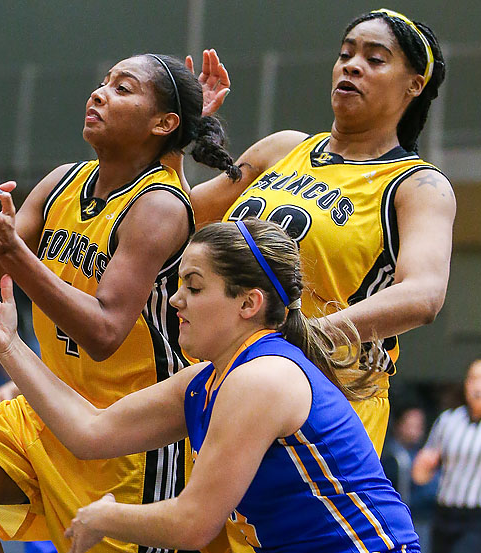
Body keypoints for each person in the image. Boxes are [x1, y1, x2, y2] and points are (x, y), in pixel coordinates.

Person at [0, 52, 237, 553]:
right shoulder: (61, 181)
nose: (98, 93)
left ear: (163, 123)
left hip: (130, 437)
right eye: (103, 82)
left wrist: (11, 249)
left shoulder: (160, 206)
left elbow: (104, 332)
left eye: (122, 88)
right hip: (49, 410)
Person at [0, 219, 432, 553]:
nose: (175, 299)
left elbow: (193, 523)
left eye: (193, 286)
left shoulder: (263, 377)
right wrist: (9, 344)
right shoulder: (207, 380)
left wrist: (104, 517)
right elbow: (90, 431)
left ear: (248, 303)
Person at [176, 8, 454, 456]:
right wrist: (178, 135)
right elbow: (179, 217)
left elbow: (423, 294)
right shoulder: (282, 148)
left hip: (327, 401)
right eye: (346, 54)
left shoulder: (417, 185)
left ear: (414, 85)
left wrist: (302, 334)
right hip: (226, 381)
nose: (352, 65)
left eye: (375, 59)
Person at [411, 357, 481, 553]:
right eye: (472, 379)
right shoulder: (448, 420)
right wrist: (422, 466)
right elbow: (420, 476)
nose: (478, 386)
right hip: (444, 517)